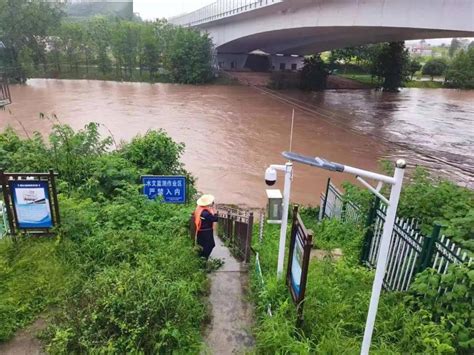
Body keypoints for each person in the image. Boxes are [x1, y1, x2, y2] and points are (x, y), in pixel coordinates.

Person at [194, 194, 218, 259]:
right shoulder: (205, 213)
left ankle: (201, 259)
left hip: (200, 231)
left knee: (202, 246)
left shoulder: (199, 209)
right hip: (206, 232)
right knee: (210, 245)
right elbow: (215, 219)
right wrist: (215, 212)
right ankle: (203, 259)